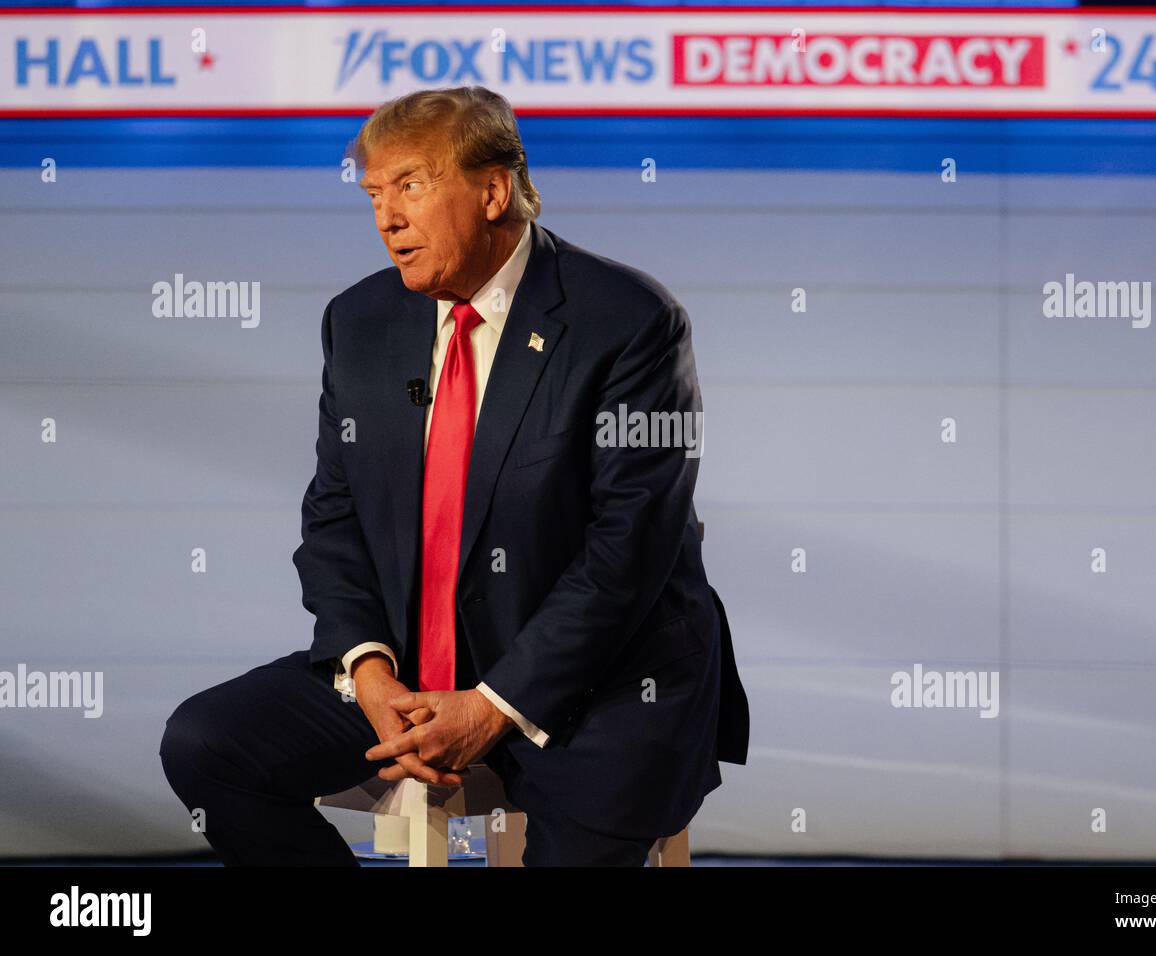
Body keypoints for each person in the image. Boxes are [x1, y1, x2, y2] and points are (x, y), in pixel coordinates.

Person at [160, 85, 748, 866]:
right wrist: (368, 670)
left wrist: (493, 705)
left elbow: (628, 551)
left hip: (599, 684)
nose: (386, 216)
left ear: (493, 190)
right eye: (374, 192)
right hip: (415, 667)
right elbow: (334, 516)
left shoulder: (628, 319)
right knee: (207, 746)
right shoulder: (362, 321)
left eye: (410, 185)